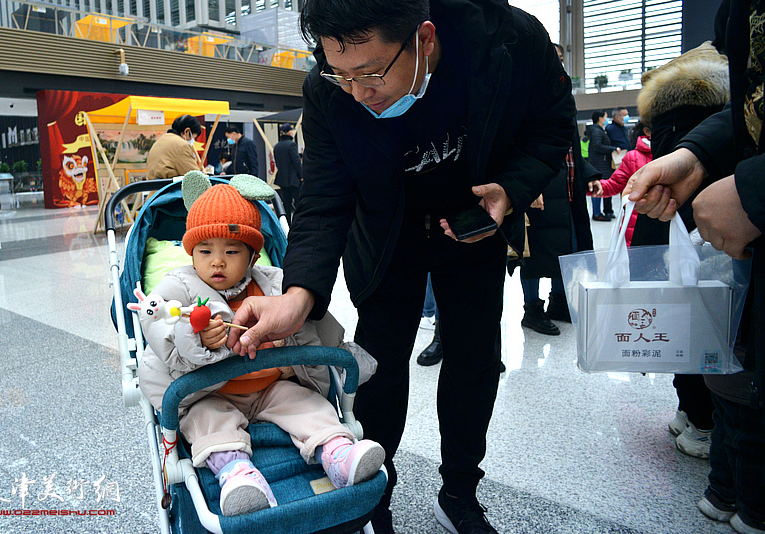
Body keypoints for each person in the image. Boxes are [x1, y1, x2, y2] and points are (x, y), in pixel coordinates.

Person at [223, 0, 576, 532]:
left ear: (425, 40)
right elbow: (323, 198)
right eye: (339, 73)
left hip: (471, 224)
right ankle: (373, 495)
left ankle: (459, 491)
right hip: (385, 238)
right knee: (378, 370)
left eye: (369, 74)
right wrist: (297, 297)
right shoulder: (327, 90)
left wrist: (512, 188)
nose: (357, 93)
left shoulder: (505, 41)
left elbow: (551, 124)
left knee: (475, 362)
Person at [135, 176, 385, 518]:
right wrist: (195, 336)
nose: (217, 262)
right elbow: (158, 322)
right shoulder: (179, 287)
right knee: (208, 421)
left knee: (306, 404)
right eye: (205, 251)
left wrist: (335, 354)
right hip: (212, 391)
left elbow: (310, 321)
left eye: (232, 251)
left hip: (272, 384)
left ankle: (338, 452)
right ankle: (236, 475)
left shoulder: (274, 285)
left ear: (253, 257)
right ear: (190, 253)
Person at [625, 1, 764, 530]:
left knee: (715, 353)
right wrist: (699, 154)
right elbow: (749, 111)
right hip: (726, 237)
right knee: (732, 359)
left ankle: (724, 478)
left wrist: (754, 188)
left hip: (714, 233)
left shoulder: (666, 107)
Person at [630, 40, 731, 460]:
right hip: (709, 230)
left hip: (664, 223)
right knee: (708, 325)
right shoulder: (722, 118)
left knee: (675, 323)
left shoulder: (665, 118)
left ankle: (688, 410)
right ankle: (703, 420)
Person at [513, 44, 598, 335]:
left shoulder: (563, 97)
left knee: (567, 252)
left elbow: (572, 146)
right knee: (535, 256)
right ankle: (532, 311)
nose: (558, 64)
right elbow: (517, 147)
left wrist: (589, 174)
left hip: (569, 190)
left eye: (562, 59)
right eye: (555, 58)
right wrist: (528, 184)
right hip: (541, 191)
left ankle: (559, 304)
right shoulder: (525, 94)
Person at [589, 121, 652, 246]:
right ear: (647, 131)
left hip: (669, 223)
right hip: (637, 226)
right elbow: (614, 184)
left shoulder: (676, 154)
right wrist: (591, 184)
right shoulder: (633, 157)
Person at [586, 111, 622, 221]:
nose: (606, 119)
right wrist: (613, 149)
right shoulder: (596, 130)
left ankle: (604, 212)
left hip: (602, 163)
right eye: (605, 117)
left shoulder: (600, 130)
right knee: (597, 187)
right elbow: (597, 146)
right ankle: (597, 213)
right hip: (599, 164)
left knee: (604, 186)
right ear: (600, 118)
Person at [146, 115, 203, 180]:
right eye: (194, 137)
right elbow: (195, 176)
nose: (193, 141)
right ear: (187, 131)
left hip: (155, 188)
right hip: (170, 188)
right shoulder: (182, 145)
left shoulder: (160, 140)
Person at [273, 123, 303, 221]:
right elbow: (296, 161)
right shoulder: (291, 144)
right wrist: (301, 175)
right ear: (289, 132)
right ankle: (298, 222)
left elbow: (277, 163)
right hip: (293, 179)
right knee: (298, 202)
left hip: (282, 178)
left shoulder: (277, 146)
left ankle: (287, 224)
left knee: (286, 204)